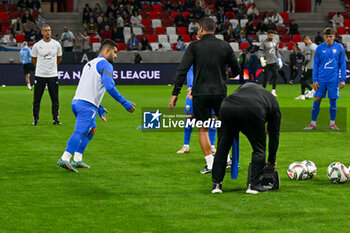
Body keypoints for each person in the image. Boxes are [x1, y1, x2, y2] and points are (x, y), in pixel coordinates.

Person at [169, 17, 240, 174]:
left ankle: (210, 164)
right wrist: (225, 74)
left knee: (203, 128)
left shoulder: (194, 46)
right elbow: (236, 70)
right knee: (224, 127)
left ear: (201, 29)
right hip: (220, 93)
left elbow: (182, 70)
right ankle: (227, 159)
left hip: (200, 93)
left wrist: (175, 93)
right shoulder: (225, 46)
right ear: (214, 29)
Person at [57, 40, 135, 172]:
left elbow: (89, 86)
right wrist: (125, 103)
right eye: (115, 52)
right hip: (87, 106)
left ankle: (77, 159)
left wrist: (99, 106)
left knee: (92, 129)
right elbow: (110, 87)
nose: (116, 56)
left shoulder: (90, 63)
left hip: (77, 102)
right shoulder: (106, 64)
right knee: (80, 132)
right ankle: (65, 158)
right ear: (107, 51)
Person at [211, 83, 281, 194]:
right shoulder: (275, 106)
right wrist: (271, 160)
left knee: (223, 147)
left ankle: (216, 185)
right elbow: (274, 136)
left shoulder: (247, 87)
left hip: (227, 105)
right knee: (259, 149)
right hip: (253, 108)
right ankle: (253, 185)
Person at [304, 28, 346, 130]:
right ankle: (313, 124)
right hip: (321, 79)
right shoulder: (319, 48)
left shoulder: (339, 48)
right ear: (324, 37)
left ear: (334, 37)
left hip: (334, 80)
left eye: (330, 37)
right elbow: (316, 65)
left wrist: (343, 79)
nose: (329, 39)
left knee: (333, 100)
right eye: (327, 37)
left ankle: (332, 124)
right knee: (317, 98)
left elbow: (343, 64)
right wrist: (314, 80)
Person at [176, 66, 219, 157]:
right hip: (195, 91)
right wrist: (191, 86)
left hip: (211, 91)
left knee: (212, 117)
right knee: (189, 116)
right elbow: (190, 71)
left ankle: (212, 146)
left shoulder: (213, 58)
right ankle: (186, 146)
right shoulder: (195, 56)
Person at [31, 24, 63, 126]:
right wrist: (42, 68)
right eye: (45, 30)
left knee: (55, 99)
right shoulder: (37, 45)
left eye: (49, 30)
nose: (47, 32)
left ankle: (55, 119)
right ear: (42, 32)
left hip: (53, 75)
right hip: (40, 75)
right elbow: (33, 59)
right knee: (37, 99)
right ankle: (35, 120)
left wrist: (51, 67)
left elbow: (59, 58)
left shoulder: (56, 44)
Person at [259, 30, 282, 97]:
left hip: (273, 61)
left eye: (272, 35)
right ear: (268, 35)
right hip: (266, 62)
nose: (271, 36)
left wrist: (279, 59)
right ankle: (263, 91)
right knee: (265, 77)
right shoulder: (264, 42)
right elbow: (260, 51)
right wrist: (261, 59)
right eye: (270, 35)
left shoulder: (275, 41)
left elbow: (277, 51)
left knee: (275, 75)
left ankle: (273, 91)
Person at [295, 36, 317, 100]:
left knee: (302, 80)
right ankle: (302, 95)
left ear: (305, 40)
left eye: (304, 41)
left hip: (309, 66)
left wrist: (304, 65)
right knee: (303, 79)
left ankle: (312, 90)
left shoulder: (308, 47)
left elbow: (307, 58)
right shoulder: (315, 46)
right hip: (316, 66)